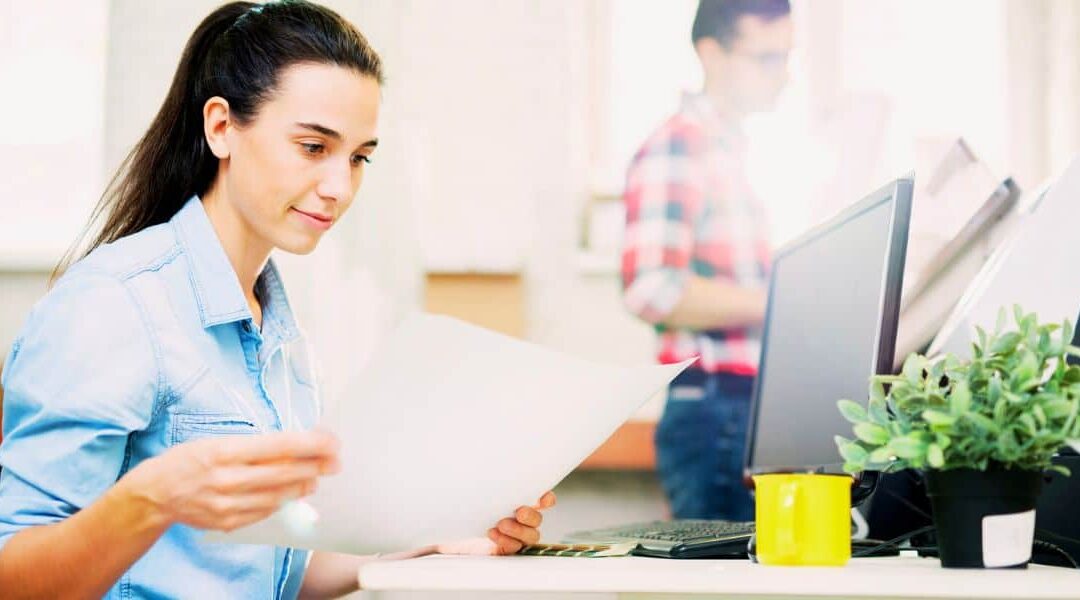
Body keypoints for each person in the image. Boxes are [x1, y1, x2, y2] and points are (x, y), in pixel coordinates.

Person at [0, 2, 553, 598]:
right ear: (221, 128)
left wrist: (439, 541)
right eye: (314, 147)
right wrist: (151, 497)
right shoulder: (113, 305)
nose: (340, 187)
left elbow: (276, 574)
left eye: (360, 157)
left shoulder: (281, 334)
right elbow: (16, 577)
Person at [620, 0, 792, 521]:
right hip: (718, 413)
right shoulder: (680, 146)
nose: (781, 75)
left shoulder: (736, 151)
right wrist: (783, 302)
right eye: (765, 58)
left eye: (787, 57)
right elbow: (651, 288)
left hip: (741, 410)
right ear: (711, 54)